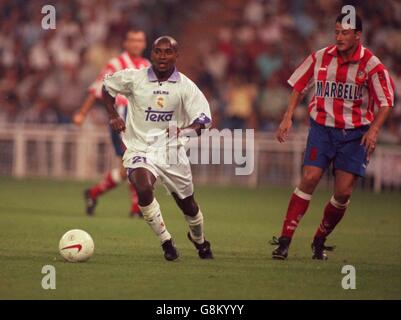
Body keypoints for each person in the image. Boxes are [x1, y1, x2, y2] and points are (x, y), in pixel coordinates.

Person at [271, 13, 394, 260]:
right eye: (336, 31)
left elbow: (386, 101)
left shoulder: (372, 65)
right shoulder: (320, 57)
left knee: (343, 193)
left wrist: (374, 129)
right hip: (323, 129)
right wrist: (288, 116)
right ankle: (284, 241)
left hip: (355, 135)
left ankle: (319, 239)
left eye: (345, 33)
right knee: (310, 177)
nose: (339, 37)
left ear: (358, 35)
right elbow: (298, 85)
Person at [102, 36, 214, 261]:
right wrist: (113, 115)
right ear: (151, 54)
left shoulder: (186, 86)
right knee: (142, 188)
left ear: (176, 55)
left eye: (168, 52)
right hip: (139, 149)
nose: (162, 56)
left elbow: (204, 120)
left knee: (189, 206)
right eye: (158, 51)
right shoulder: (135, 78)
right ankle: (166, 242)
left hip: (171, 152)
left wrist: (184, 131)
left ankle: (200, 241)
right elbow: (106, 88)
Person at [73, 29, 150, 217]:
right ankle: (136, 208)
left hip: (141, 119)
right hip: (121, 116)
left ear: (144, 44)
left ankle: (93, 193)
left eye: (139, 40)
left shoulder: (147, 65)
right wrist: (82, 113)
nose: (136, 44)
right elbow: (98, 88)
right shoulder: (116, 64)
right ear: (126, 43)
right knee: (134, 159)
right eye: (132, 40)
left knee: (126, 169)